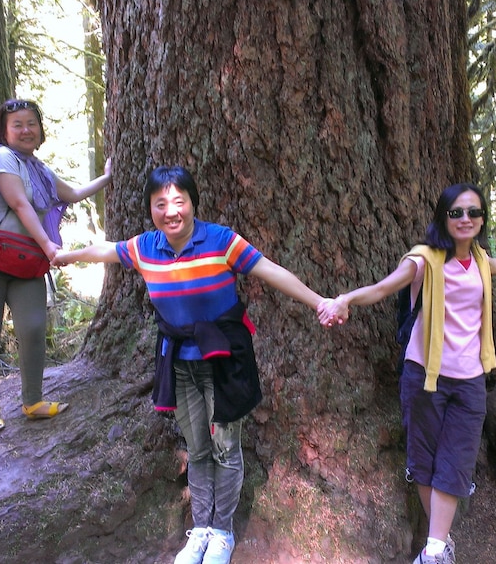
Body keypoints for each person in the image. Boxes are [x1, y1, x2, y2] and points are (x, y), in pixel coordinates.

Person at [52, 165, 330, 564]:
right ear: (150, 208)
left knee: (225, 448)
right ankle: (200, 528)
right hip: (179, 363)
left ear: (192, 202)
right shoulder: (146, 247)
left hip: (224, 362)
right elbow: (106, 250)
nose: (170, 211)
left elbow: (270, 271)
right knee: (197, 448)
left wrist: (319, 301)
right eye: (160, 203)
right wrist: (66, 257)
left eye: (178, 201)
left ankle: (222, 532)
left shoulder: (221, 241)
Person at [318, 183, 496, 564]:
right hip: (425, 377)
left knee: (457, 462)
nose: (466, 219)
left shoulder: (479, 259)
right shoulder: (424, 259)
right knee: (425, 461)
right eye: (457, 212)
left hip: (471, 380)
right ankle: (438, 547)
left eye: (474, 213)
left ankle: (433, 550)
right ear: (443, 217)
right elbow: (382, 289)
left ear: (482, 220)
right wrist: (345, 299)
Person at [0, 98, 112, 435]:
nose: (26, 130)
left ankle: (33, 401)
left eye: (31, 124)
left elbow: (73, 193)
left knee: (34, 328)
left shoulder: (40, 170)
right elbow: (20, 204)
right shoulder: (1, 158)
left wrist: (107, 177)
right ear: (4, 131)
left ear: (40, 130)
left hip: (23, 262)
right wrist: (49, 246)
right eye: (17, 125)